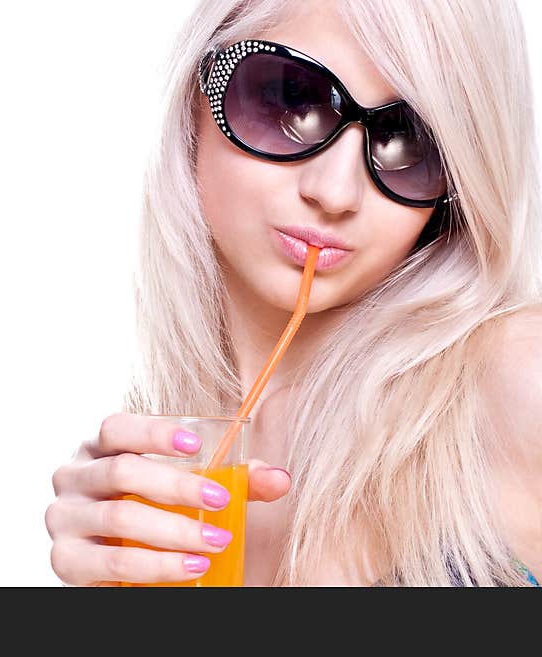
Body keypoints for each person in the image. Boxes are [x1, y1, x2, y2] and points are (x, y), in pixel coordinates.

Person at [45, 0, 542, 586]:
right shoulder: (164, 456)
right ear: (195, 101)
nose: (335, 192)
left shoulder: (516, 374)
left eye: (407, 140)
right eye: (292, 100)